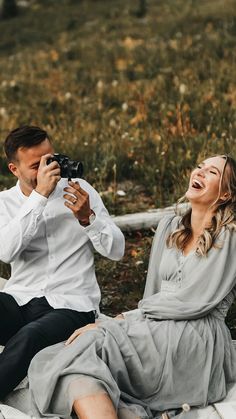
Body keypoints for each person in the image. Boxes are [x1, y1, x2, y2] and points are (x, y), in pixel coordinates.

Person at [24, 154, 236, 419]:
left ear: (226, 194)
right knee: (58, 355)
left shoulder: (229, 234)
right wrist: (132, 325)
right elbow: (153, 293)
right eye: (199, 167)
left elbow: (195, 301)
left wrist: (119, 322)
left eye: (212, 173)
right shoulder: (168, 227)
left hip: (197, 335)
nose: (200, 173)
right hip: (156, 327)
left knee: (89, 345)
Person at [0, 125, 125, 400]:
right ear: (14, 169)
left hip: (73, 303)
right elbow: (6, 251)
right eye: (37, 165)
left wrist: (88, 219)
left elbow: (117, 250)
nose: (49, 169)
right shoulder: (4, 203)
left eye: (51, 158)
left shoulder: (80, 190)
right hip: (21, 297)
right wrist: (40, 197)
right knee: (22, 330)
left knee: (30, 337)